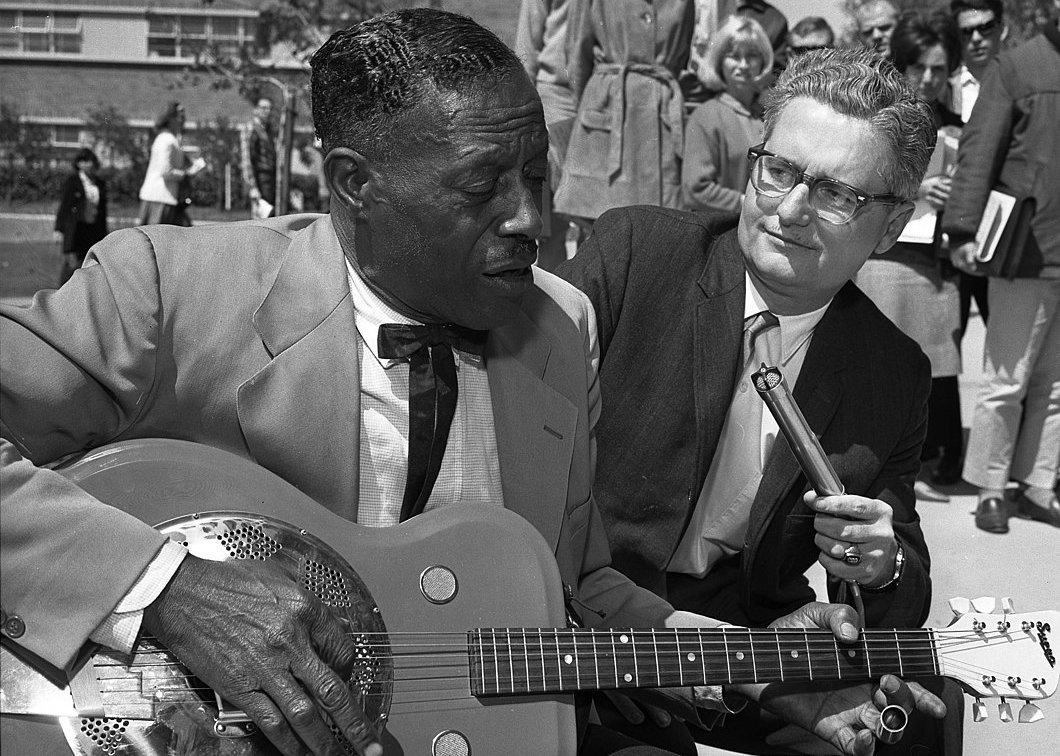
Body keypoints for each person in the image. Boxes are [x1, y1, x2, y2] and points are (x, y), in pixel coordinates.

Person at [1, 10, 946, 756]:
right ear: (353, 183)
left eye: (536, 175)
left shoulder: (558, 329)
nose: (533, 218)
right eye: (482, 185)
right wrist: (163, 589)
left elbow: (575, 588)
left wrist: (754, 662)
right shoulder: (166, 291)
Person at [558, 47, 962, 754]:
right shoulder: (633, 256)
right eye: (778, 172)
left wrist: (879, 561)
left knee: (921, 719)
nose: (792, 210)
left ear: (891, 229)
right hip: (596, 624)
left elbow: (902, 578)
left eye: (838, 195)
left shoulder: (892, 371)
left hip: (751, 636)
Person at [945, 7, 1060, 534]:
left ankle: (1038, 484)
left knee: (1056, 385)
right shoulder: (1016, 68)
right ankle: (992, 487)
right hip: (1025, 251)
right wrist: (964, 231)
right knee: (1004, 380)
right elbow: (979, 149)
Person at [854, 11, 965, 495]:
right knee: (877, 372)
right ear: (902, 64)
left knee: (928, 372)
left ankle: (911, 468)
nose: (929, 78)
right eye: (919, 66)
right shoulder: (880, 118)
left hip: (933, 264)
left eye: (940, 69)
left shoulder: (960, 126)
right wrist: (922, 192)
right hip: (882, 260)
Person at [554, 0, 694, 223]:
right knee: (598, 228)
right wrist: (594, 104)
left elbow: (684, 51)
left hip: (662, 116)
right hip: (608, 109)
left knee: (661, 227)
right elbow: (577, 53)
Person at [948, 0, 1005, 335]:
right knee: (945, 351)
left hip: (1005, 230)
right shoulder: (942, 88)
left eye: (986, 27)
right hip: (951, 238)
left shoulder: (1021, 83)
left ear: (1002, 28)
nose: (977, 39)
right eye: (966, 31)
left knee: (1010, 349)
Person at [681, 15, 772, 220]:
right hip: (722, 228)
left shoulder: (770, 115)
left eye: (752, 56)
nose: (743, 64)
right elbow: (696, 190)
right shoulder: (706, 115)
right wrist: (748, 203)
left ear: (763, 60)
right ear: (720, 60)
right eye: (733, 56)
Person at [516, 0, 578, 269]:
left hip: (602, 95)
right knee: (549, 222)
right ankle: (552, 302)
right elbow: (526, 48)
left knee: (596, 215)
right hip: (555, 98)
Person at [137, 101, 205, 227]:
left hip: (167, 198)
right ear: (170, 119)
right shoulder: (166, 140)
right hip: (159, 198)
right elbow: (165, 171)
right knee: (157, 240)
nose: (183, 119)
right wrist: (187, 174)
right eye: (179, 116)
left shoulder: (172, 140)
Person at [54, 146, 108, 286]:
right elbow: (65, 206)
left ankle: (82, 298)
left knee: (90, 266)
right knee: (72, 264)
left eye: (90, 161)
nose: (88, 164)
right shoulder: (73, 181)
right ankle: (60, 295)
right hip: (75, 229)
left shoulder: (100, 183)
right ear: (78, 163)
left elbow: (103, 210)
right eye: (84, 161)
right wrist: (59, 229)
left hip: (93, 230)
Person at [241, 95, 278, 219]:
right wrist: (253, 186)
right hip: (260, 179)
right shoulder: (251, 128)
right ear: (255, 110)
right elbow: (247, 160)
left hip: (269, 179)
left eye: (269, 108)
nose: (266, 111)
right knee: (261, 220)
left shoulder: (268, 130)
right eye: (263, 108)